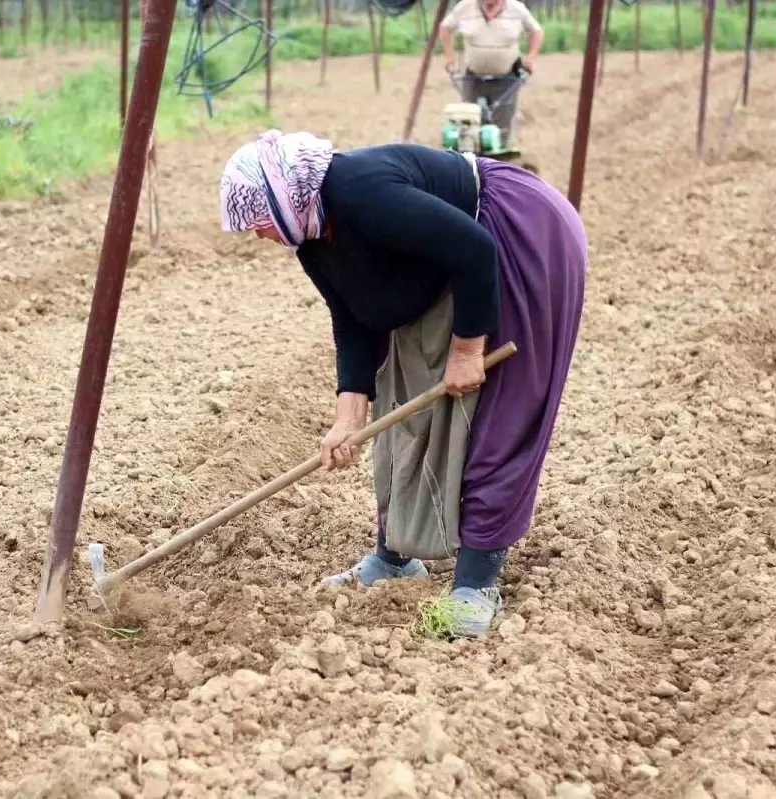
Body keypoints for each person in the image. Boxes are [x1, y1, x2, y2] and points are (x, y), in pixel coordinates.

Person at [218, 131, 587, 638]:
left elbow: (475, 250)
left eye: (256, 216)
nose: (256, 233)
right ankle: (393, 558)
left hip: (519, 234)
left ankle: (475, 584)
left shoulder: (358, 192)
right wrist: (347, 419)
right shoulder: (311, 234)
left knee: (500, 411)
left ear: (283, 192)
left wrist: (466, 351)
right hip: (447, 263)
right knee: (406, 404)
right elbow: (350, 317)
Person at [439, 0, 544, 147]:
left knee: (503, 122)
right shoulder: (465, 6)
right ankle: (469, 155)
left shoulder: (516, 8)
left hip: (506, 77)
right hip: (473, 76)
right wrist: (449, 57)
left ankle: (499, 156)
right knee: (468, 118)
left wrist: (530, 59)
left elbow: (537, 32)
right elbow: (445, 28)